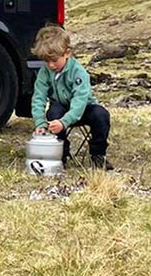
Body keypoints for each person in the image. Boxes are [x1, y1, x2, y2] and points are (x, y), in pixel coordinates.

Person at [31, 24, 113, 170]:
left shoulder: (79, 72)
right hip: (61, 108)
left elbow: (79, 102)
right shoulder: (44, 73)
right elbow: (39, 97)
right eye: (46, 61)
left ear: (67, 53)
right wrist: (40, 123)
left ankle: (98, 154)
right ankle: (60, 154)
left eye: (54, 60)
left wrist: (65, 122)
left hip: (84, 109)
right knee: (53, 112)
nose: (50, 65)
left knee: (101, 114)